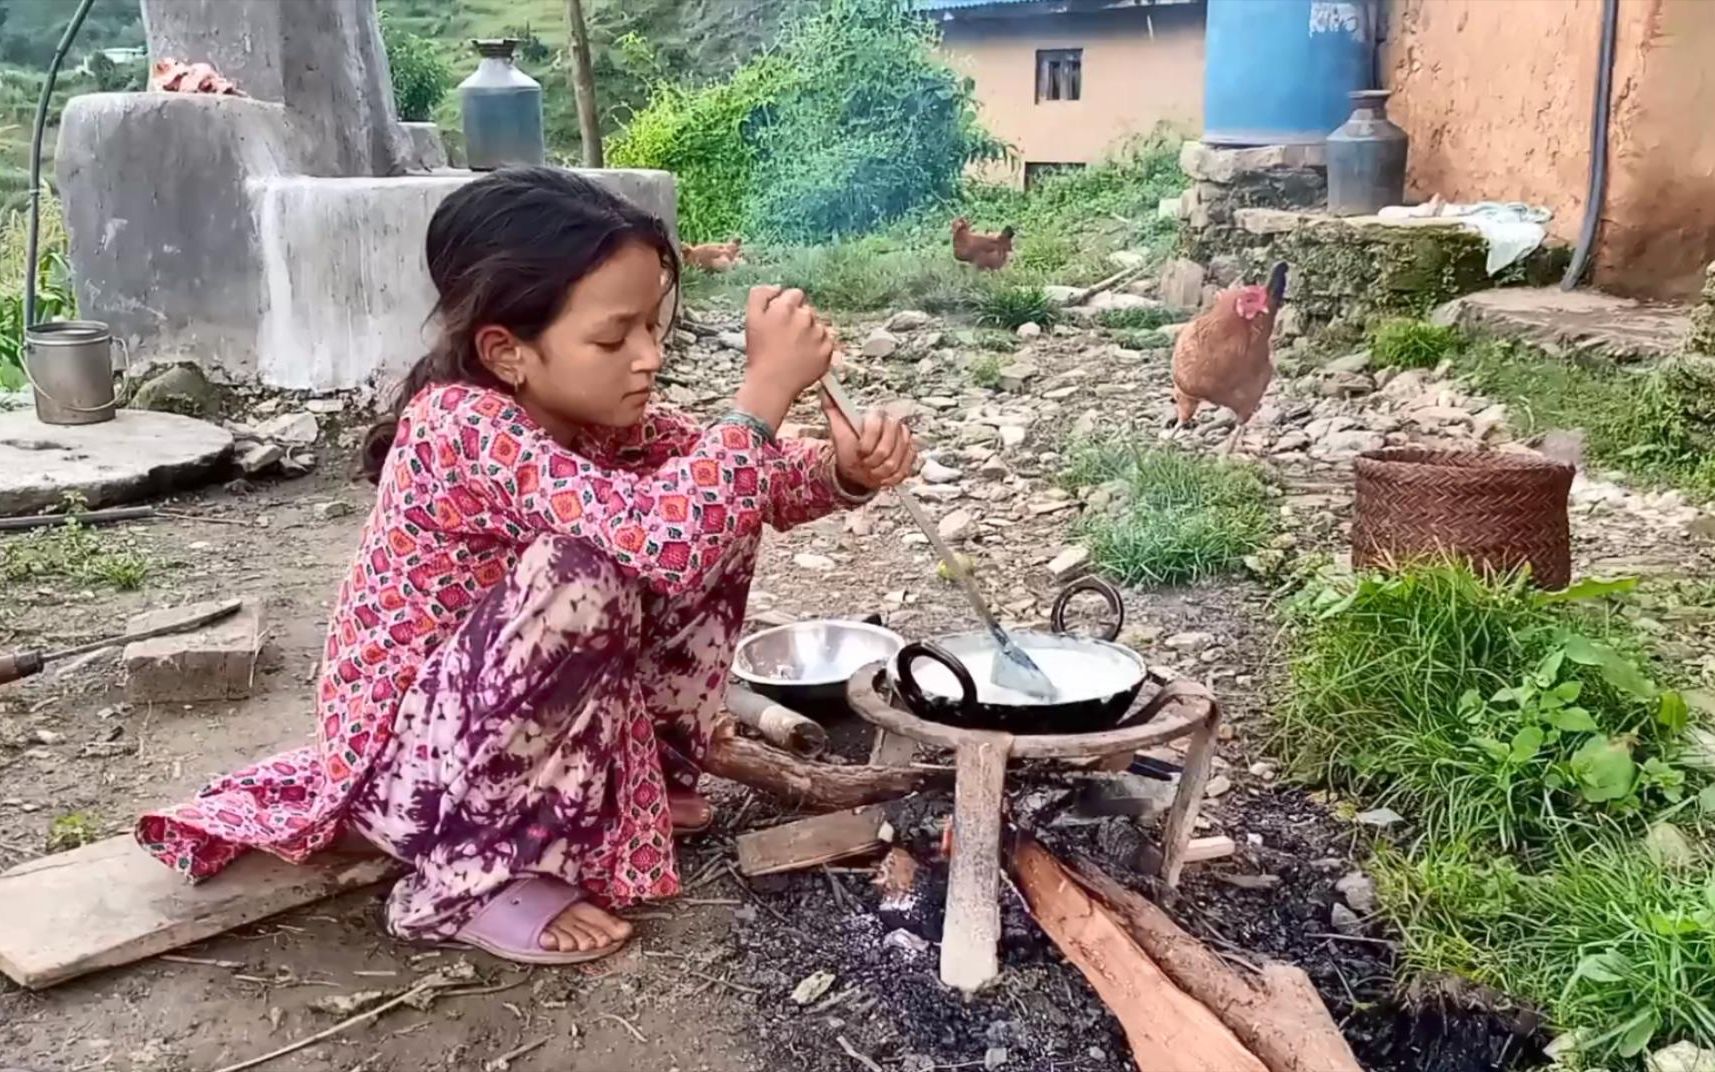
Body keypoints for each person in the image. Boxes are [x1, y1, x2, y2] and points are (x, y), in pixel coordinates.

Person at [136, 168, 917, 965]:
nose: (647, 358)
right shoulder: (461, 425)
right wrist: (760, 394)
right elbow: (668, 532)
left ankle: (640, 781)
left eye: (654, 330)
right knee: (596, 566)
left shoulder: (600, 421)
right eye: (615, 338)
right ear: (506, 351)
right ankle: (469, 880)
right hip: (417, 778)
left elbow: (746, 482)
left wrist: (841, 470)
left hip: (490, 740)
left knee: (719, 492)